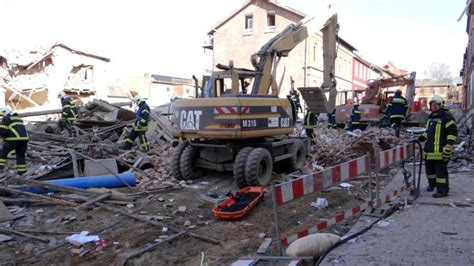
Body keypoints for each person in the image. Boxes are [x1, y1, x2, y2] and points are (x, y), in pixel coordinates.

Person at [418, 95, 458, 198]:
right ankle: (432, 185)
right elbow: (428, 133)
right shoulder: (430, 117)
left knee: (441, 173)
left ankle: (442, 191)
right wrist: (419, 139)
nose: (434, 106)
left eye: (436, 104)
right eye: (432, 104)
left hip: (441, 151)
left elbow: (452, 132)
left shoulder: (447, 117)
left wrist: (449, 144)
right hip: (429, 151)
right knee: (430, 172)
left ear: (441, 105)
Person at [0, 108, 29, 175]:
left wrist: (4, 137)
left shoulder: (7, 118)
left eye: (2, 115)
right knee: (20, 155)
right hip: (24, 139)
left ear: (4, 113)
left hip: (14, 138)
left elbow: (2, 130)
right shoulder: (18, 118)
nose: (2, 117)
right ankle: (22, 171)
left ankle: (0, 168)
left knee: (3, 151)